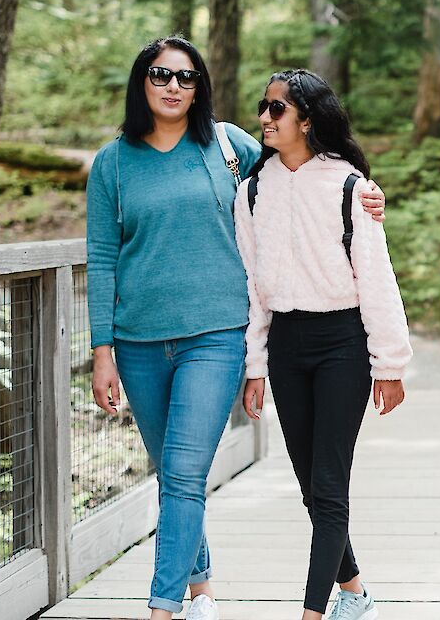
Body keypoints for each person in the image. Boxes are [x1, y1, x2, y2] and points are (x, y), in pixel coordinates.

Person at [86, 40, 385, 620]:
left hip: (218, 334)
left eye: (187, 77)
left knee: (185, 473)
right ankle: (202, 592)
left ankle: (162, 607)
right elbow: (101, 256)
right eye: (160, 74)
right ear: (140, 82)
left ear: (200, 87)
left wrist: (364, 192)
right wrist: (103, 350)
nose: (173, 86)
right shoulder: (113, 164)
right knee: (173, 472)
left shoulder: (227, 145)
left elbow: (302, 171)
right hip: (138, 340)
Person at [234, 69, 412, 620]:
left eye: (277, 109)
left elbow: (376, 277)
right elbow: (252, 286)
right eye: (263, 107)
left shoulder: (350, 187)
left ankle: (313, 612)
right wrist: (254, 364)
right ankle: (355, 592)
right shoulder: (253, 189)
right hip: (287, 344)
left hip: (342, 344)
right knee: (311, 485)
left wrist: (390, 364)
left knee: (329, 485)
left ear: (306, 120)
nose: (265, 118)